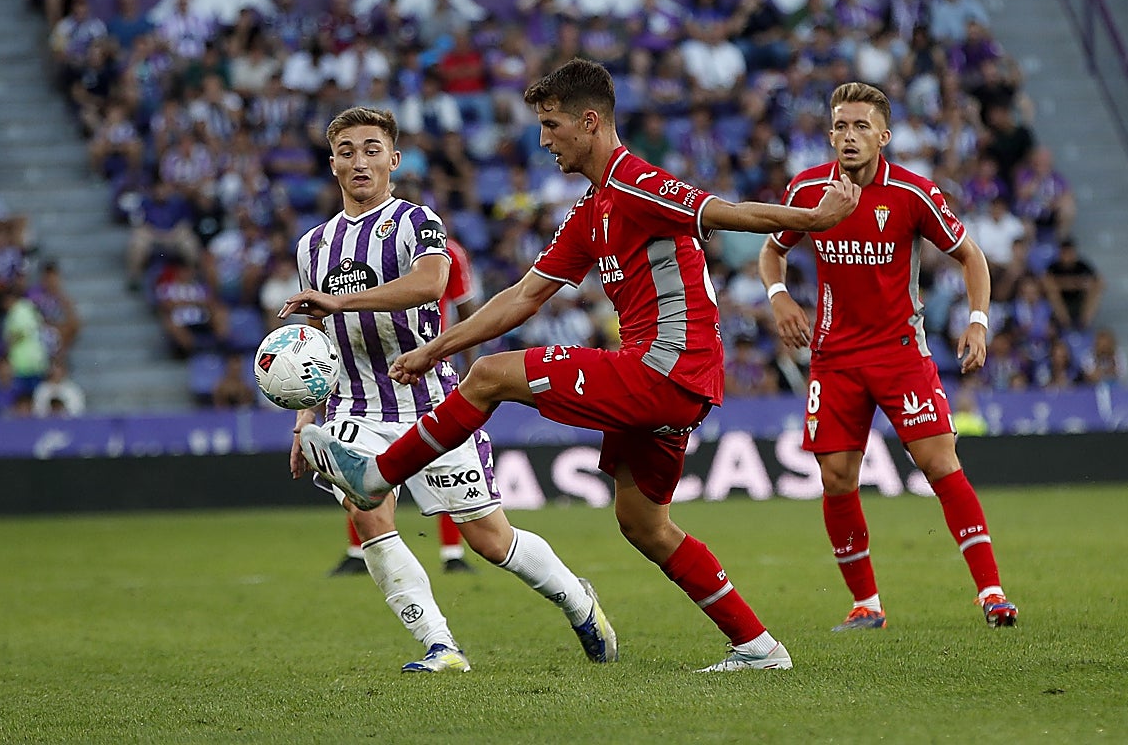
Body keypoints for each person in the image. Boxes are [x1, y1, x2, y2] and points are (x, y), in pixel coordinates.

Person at [284, 59, 861, 672]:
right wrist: (435, 349)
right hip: (664, 379)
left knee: (492, 376)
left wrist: (812, 220)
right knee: (643, 523)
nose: (543, 138)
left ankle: (377, 476)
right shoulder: (592, 209)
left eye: (552, 124)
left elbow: (724, 211)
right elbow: (523, 296)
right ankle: (759, 647)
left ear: (590, 123)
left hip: (666, 368)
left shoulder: (636, 181)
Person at [282, 105, 616, 673]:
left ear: (394, 159)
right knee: (368, 515)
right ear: (332, 164)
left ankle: (577, 600)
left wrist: (340, 300)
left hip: (434, 405)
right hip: (355, 407)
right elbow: (316, 345)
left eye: (371, 149)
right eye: (346, 151)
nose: (359, 161)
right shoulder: (312, 245)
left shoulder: (415, 222)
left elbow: (430, 282)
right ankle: (441, 645)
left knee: (490, 540)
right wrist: (303, 422)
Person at [757, 80, 1019, 633]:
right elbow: (771, 251)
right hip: (834, 358)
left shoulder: (913, 193)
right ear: (829, 133)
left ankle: (992, 594)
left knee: (940, 464)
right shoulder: (807, 191)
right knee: (836, 479)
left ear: (884, 135)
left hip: (901, 353)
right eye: (840, 126)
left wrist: (977, 321)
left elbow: (972, 257)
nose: (849, 136)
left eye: (860, 126)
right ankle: (866, 605)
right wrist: (779, 297)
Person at [329, 232, 480, 577]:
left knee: (440, 458)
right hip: (368, 373)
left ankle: (452, 552)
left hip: (425, 370)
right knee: (359, 460)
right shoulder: (359, 251)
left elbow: (466, 306)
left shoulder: (447, 251)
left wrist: (468, 365)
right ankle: (358, 551)